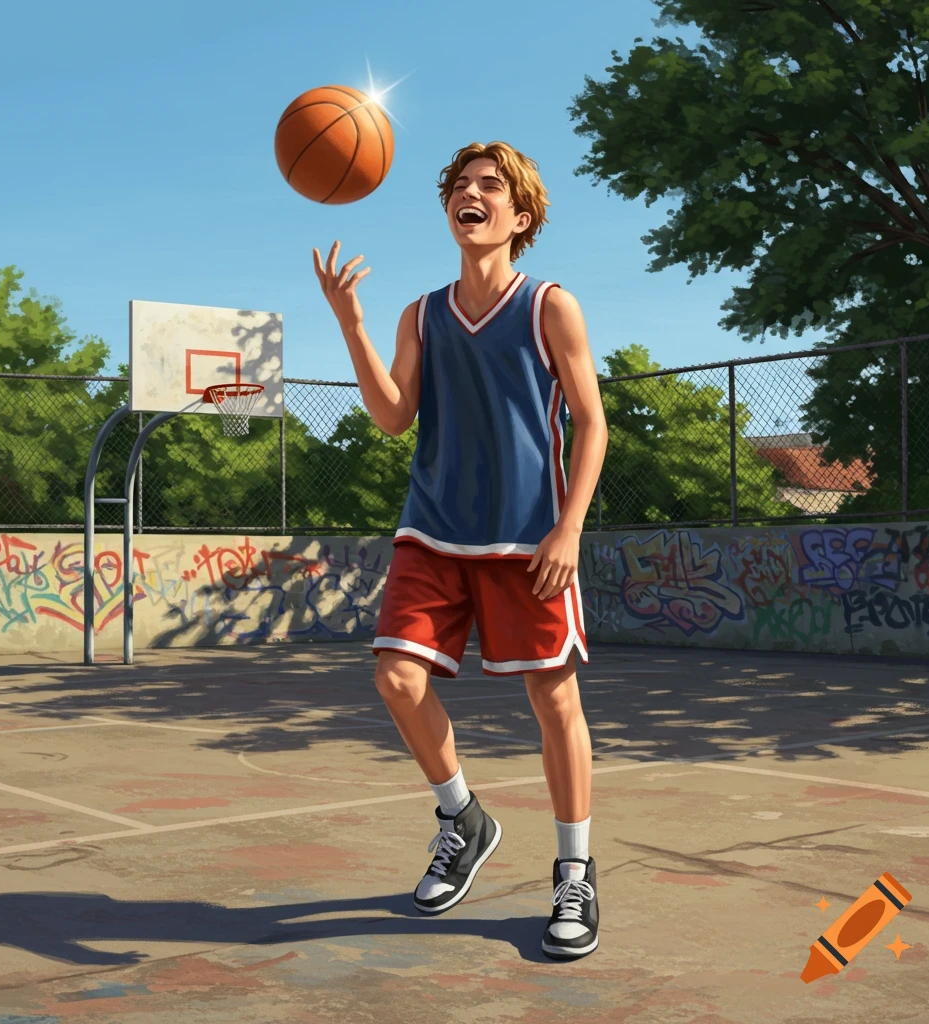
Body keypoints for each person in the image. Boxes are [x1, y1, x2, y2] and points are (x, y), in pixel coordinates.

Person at [313, 141, 608, 960]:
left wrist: (570, 526)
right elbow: (392, 415)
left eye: (490, 185)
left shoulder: (550, 305)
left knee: (554, 705)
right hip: (435, 529)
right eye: (459, 186)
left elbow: (593, 422)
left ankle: (575, 872)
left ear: (521, 215)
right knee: (396, 677)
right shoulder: (423, 314)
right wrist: (352, 325)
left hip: (527, 536)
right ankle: (463, 817)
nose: (470, 194)